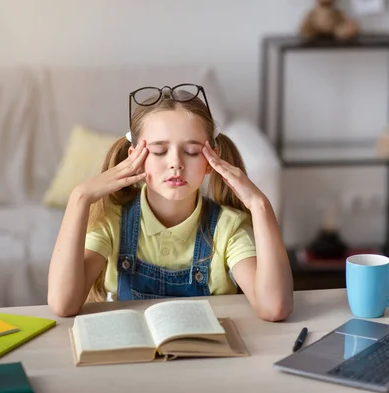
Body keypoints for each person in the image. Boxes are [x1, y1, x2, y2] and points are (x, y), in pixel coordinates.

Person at [47, 83, 293, 321]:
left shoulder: (228, 229)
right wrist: (79, 198)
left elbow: (274, 308)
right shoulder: (113, 221)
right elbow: (63, 304)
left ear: (210, 160)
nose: (176, 163)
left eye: (192, 151)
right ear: (136, 158)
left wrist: (260, 205)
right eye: (159, 151)